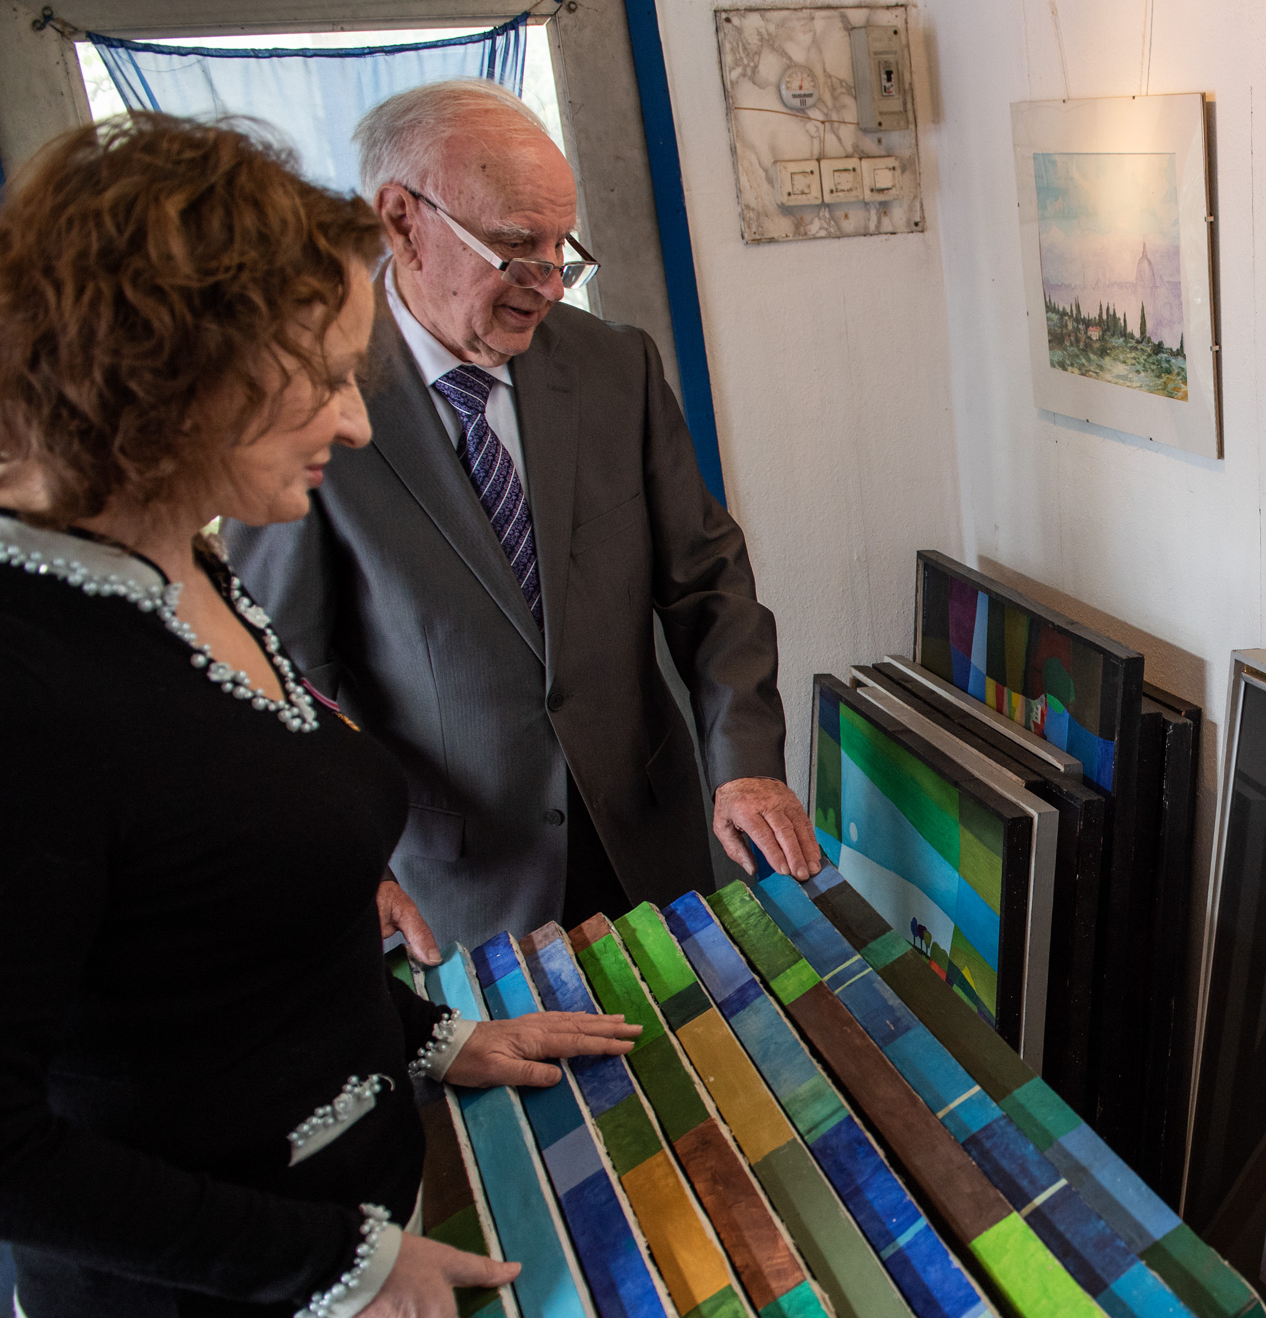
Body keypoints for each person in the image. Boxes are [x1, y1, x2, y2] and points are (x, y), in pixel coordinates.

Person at [0, 114, 640, 1318]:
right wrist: (338, 1268)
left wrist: (431, 1038)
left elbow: (221, 938)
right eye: (319, 378)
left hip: (356, 1236)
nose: (358, 421)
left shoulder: (166, 546)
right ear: (169, 373)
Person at [226, 78, 821, 963]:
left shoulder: (615, 366)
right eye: (513, 248)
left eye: (560, 248)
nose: (546, 284)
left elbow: (707, 581)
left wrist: (746, 761)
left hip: (646, 838)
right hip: (457, 878)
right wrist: (345, 853)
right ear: (401, 221)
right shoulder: (309, 399)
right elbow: (283, 667)